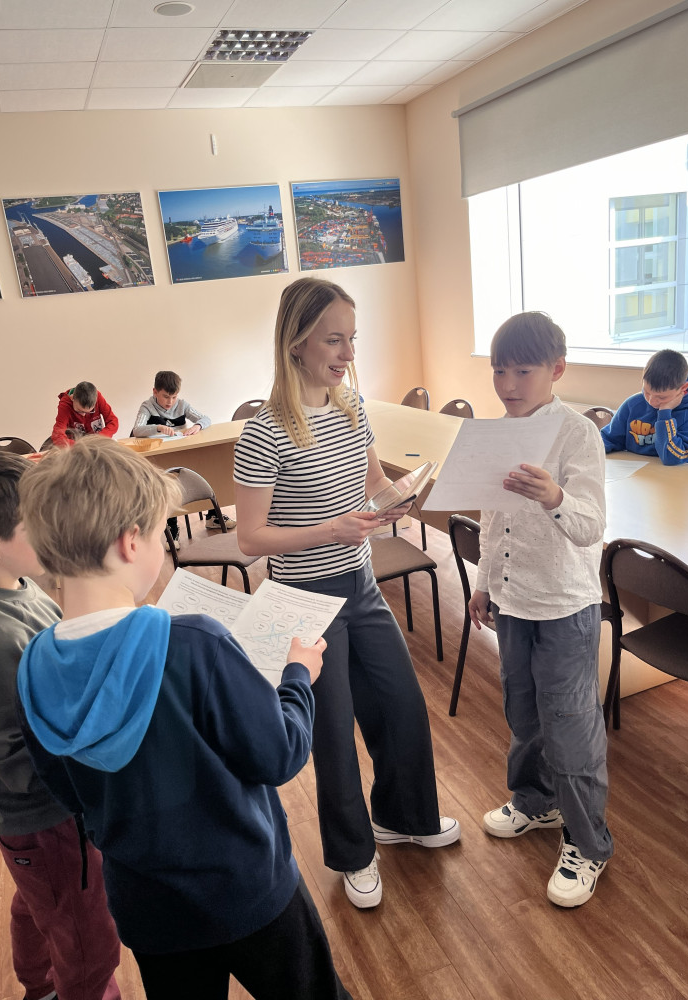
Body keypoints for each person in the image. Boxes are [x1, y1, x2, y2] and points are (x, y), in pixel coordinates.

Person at [15, 436, 352, 1000]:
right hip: (247, 891)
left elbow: (70, 794)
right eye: (159, 534)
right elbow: (280, 754)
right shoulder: (195, 642)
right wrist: (298, 676)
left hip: (149, 910)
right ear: (130, 542)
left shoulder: (32, 668)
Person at [234, 277, 460, 910]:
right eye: (334, 339)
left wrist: (402, 497)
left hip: (360, 584)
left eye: (352, 338)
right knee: (332, 733)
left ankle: (404, 818)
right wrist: (331, 529)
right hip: (303, 597)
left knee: (400, 705)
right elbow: (250, 538)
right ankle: (354, 854)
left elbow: (372, 480)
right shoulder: (265, 433)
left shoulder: (353, 406)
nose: (347, 353)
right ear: (296, 342)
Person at [468, 311, 613, 908]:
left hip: (565, 607)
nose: (508, 384)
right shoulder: (497, 431)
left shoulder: (577, 434)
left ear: (556, 370)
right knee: (523, 712)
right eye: (499, 371)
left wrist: (554, 496)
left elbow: (591, 526)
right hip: (513, 601)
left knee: (571, 726)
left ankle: (588, 843)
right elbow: (491, 518)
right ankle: (536, 802)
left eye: (522, 371)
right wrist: (483, 582)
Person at [0, 449, 121, 1000]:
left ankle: (41, 983)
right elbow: (15, 760)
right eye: (36, 523)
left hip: (40, 821)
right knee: (87, 933)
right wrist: (91, 787)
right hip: (46, 813)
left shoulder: (16, 584)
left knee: (42, 899)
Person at [132, 370, 235, 539]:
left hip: (184, 453)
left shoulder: (182, 405)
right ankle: (171, 526)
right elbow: (137, 430)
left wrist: (197, 426)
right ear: (155, 392)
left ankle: (212, 515)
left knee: (207, 470)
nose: (170, 402)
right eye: (166, 397)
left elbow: (205, 418)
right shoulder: (147, 406)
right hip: (162, 458)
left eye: (174, 397)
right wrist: (157, 427)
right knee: (169, 484)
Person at [600, 349, 688, 466]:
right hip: (640, 471)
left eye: (661, 397)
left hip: (683, 472)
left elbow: (672, 458)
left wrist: (664, 413)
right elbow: (609, 439)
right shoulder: (633, 404)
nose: (651, 401)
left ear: (683, 388)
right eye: (647, 392)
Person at [51, 381, 119, 447]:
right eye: (79, 411)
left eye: (89, 411)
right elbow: (57, 434)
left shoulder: (98, 397)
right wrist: (80, 446)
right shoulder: (65, 405)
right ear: (72, 398)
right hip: (76, 445)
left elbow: (113, 421)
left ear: (96, 401)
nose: (83, 415)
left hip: (97, 442)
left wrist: (100, 437)